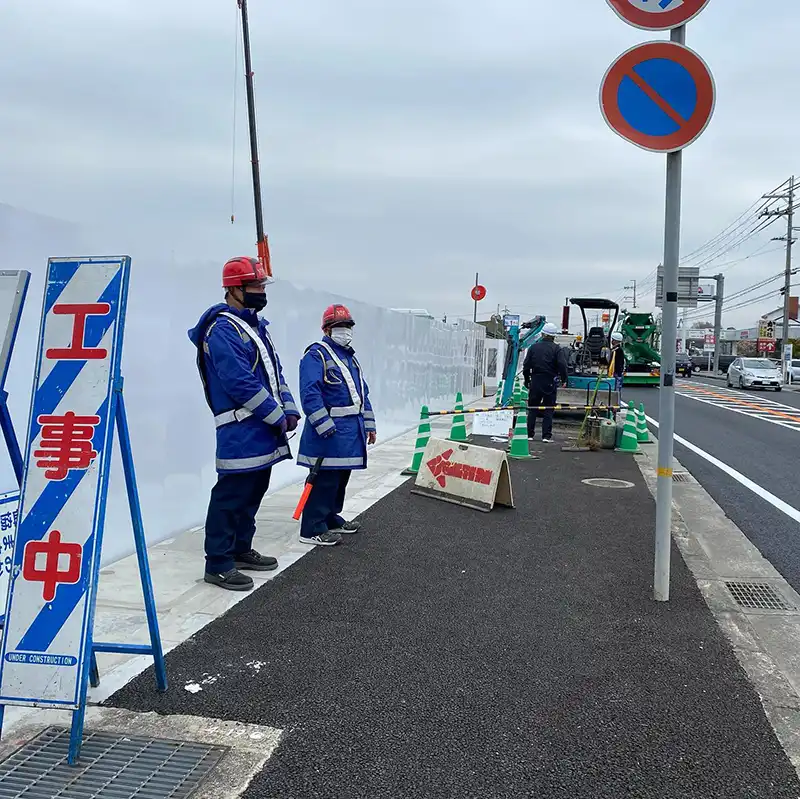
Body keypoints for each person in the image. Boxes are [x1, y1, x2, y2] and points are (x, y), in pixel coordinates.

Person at [188, 256, 301, 591]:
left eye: (262, 286)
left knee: (254, 490)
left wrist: (289, 408)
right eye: (254, 286)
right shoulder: (222, 329)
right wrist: (275, 414)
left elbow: (274, 374)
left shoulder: (254, 327)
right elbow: (239, 381)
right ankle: (218, 562)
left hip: (262, 428)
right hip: (240, 429)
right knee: (231, 494)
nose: (260, 291)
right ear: (234, 289)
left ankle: (239, 548)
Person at [297, 304, 376, 546]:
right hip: (329, 432)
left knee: (341, 478)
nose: (345, 331)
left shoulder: (350, 358)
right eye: (339, 327)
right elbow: (310, 393)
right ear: (327, 330)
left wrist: (369, 425)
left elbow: (362, 394)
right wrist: (323, 423)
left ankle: (330, 517)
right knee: (324, 479)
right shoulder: (316, 355)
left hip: (350, 431)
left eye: (347, 326)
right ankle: (312, 528)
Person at [523, 321, 569, 443]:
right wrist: (564, 379)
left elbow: (526, 365)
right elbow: (562, 364)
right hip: (550, 381)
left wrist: (527, 380)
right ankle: (546, 436)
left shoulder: (533, 347)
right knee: (549, 409)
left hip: (536, 380)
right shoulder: (557, 349)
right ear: (554, 336)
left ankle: (529, 434)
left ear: (542, 334)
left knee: (533, 408)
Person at [609, 331, 626, 399]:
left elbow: (617, 363)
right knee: (615, 389)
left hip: (617, 373)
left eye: (612, 339)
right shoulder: (615, 349)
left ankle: (616, 406)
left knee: (616, 390)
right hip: (616, 373)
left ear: (615, 340)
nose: (611, 341)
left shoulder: (618, 350)